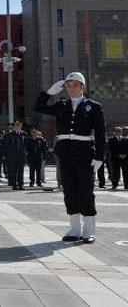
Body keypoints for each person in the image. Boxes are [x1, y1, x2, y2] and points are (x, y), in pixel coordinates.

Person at [34, 72, 106, 244]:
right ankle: (74, 229)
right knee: (69, 190)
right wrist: (48, 93)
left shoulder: (93, 106)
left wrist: (99, 156)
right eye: (69, 85)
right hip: (66, 153)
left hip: (84, 152)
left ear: (83, 87)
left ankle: (88, 231)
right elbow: (39, 107)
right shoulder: (61, 105)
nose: (72, 88)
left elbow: (101, 134)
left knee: (86, 190)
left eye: (75, 85)